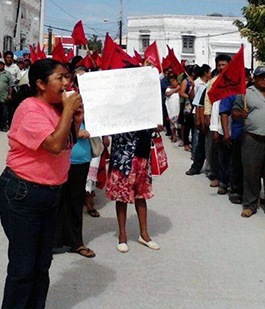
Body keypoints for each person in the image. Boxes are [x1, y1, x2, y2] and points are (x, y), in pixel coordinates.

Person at [0, 58, 82, 309]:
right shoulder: (30, 109)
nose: (67, 83)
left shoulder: (57, 109)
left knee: (42, 264)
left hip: (50, 194)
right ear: (41, 84)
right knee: (23, 268)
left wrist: (74, 119)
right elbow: (54, 145)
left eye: (68, 77)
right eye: (60, 78)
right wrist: (67, 111)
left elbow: (67, 144)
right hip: (23, 194)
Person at [233, 66, 265, 218]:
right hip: (252, 138)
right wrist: (241, 113)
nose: (264, 79)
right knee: (250, 173)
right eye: (261, 77)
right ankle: (250, 205)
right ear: (255, 78)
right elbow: (234, 112)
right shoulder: (246, 93)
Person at [107, 125, 160, 253]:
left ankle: (144, 234)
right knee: (121, 194)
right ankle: (122, 236)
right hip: (122, 151)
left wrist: (156, 126)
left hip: (142, 149)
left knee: (141, 194)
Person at [53, 117, 96, 258]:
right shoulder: (59, 105)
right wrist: (76, 133)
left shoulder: (88, 108)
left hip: (82, 159)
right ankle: (51, 242)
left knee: (76, 202)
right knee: (55, 201)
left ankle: (76, 242)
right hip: (61, 160)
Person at [203, 55, 232, 186]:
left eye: (223, 64)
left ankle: (230, 180)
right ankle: (217, 176)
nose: (221, 67)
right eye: (219, 65)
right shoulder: (214, 81)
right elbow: (208, 100)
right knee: (217, 150)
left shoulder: (235, 80)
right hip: (217, 118)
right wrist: (208, 116)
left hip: (232, 119)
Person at [219, 90, 245, 204]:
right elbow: (224, 113)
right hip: (236, 134)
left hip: (252, 136)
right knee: (236, 164)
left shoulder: (252, 92)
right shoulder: (230, 93)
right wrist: (226, 133)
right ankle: (234, 190)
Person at [0, 58, 14, 132]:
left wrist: (10, 94)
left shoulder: (7, 73)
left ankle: (3, 126)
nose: (0, 65)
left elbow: (11, 85)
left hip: (4, 96)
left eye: (1, 64)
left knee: (4, 112)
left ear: (4, 65)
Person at [165, 75, 181, 143]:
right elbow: (168, 94)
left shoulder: (181, 87)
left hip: (178, 108)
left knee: (179, 124)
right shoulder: (169, 88)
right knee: (172, 123)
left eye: (174, 81)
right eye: (171, 82)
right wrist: (176, 89)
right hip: (172, 109)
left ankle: (179, 136)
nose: (172, 83)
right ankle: (174, 136)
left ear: (177, 81)